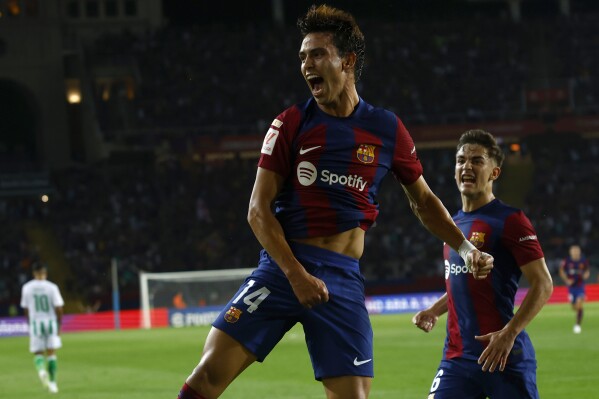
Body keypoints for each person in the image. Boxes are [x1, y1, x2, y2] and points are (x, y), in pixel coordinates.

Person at [177, 5, 493, 399]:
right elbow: (257, 211)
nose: (306, 64)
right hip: (280, 271)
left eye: (317, 54)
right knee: (207, 376)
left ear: (348, 61)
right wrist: (295, 274)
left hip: (342, 279)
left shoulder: (386, 128)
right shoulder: (290, 123)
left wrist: (464, 248)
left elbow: (424, 201)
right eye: (302, 57)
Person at [412, 130, 554, 399]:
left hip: (504, 357)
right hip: (457, 358)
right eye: (461, 160)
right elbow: (461, 281)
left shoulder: (511, 220)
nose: (467, 166)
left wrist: (509, 333)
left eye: (477, 161)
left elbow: (543, 284)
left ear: (494, 173)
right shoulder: (451, 226)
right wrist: (434, 310)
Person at [20, 261, 64, 394]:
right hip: (50, 323)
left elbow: (26, 309)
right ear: (45, 273)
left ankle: (41, 370)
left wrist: (29, 323)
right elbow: (59, 308)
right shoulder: (52, 287)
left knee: (38, 353)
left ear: (34, 273)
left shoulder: (27, 287)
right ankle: (53, 384)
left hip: (36, 323)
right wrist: (59, 324)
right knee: (51, 353)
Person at [558, 244, 590, 333]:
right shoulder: (567, 261)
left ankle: (577, 325)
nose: (575, 252)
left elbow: (587, 271)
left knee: (579, 304)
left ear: (579, 252)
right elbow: (561, 271)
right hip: (571, 287)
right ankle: (576, 306)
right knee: (574, 307)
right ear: (570, 252)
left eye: (577, 251)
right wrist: (566, 280)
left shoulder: (583, 261)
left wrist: (586, 275)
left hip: (580, 286)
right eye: (573, 251)